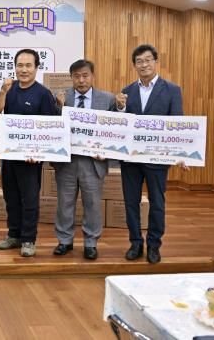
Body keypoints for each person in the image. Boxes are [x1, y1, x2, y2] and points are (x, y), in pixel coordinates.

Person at [116, 44, 186, 264]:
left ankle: (154, 244)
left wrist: (181, 153)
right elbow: (121, 124)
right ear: (134, 65)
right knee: (131, 202)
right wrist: (120, 108)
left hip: (157, 157)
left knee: (157, 201)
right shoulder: (126, 91)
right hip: (131, 158)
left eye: (148, 60)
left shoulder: (172, 90)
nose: (144, 65)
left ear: (156, 62)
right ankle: (135, 243)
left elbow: (177, 124)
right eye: (139, 61)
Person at [52, 59, 115, 260]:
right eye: (77, 76)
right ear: (71, 77)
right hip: (67, 161)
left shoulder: (108, 99)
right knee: (65, 203)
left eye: (85, 75)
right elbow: (52, 126)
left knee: (93, 204)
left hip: (93, 162)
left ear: (92, 76)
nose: (81, 80)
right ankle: (64, 241)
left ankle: (91, 243)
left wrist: (107, 150)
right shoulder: (61, 97)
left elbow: (117, 129)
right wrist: (59, 107)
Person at [0, 48, 56, 257]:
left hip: (31, 159)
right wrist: (3, 91)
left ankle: (28, 239)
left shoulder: (43, 94)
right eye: (20, 65)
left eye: (28, 65)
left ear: (36, 68)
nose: (23, 70)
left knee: (29, 200)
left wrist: (39, 153)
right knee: (10, 197)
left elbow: (50, 127)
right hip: (9, 155)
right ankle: (14, 235)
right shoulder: (10, 89)